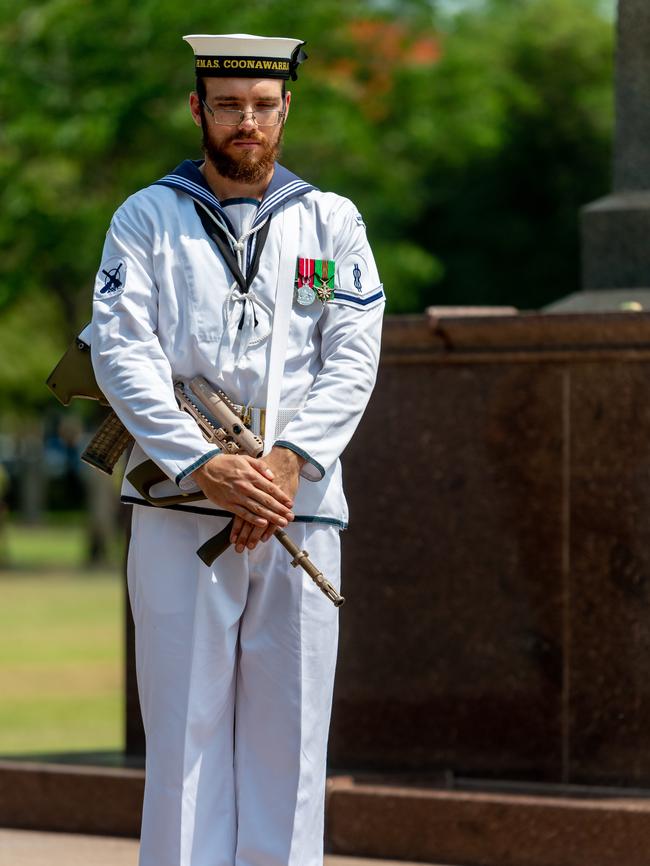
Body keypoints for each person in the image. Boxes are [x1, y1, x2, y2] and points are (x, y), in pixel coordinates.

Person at [91, 32, 385, 866]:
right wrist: (206, 466)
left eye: (262, 106)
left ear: (286, 109)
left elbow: (349, 352)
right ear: (199, 110)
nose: (245, 122)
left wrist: (286, 463)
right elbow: (120, 352)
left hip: (302, 508)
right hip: (180, 506)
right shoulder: (146, 218)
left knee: (290, 744)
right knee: (183, 734)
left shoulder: (330, 224)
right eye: (228, 106)